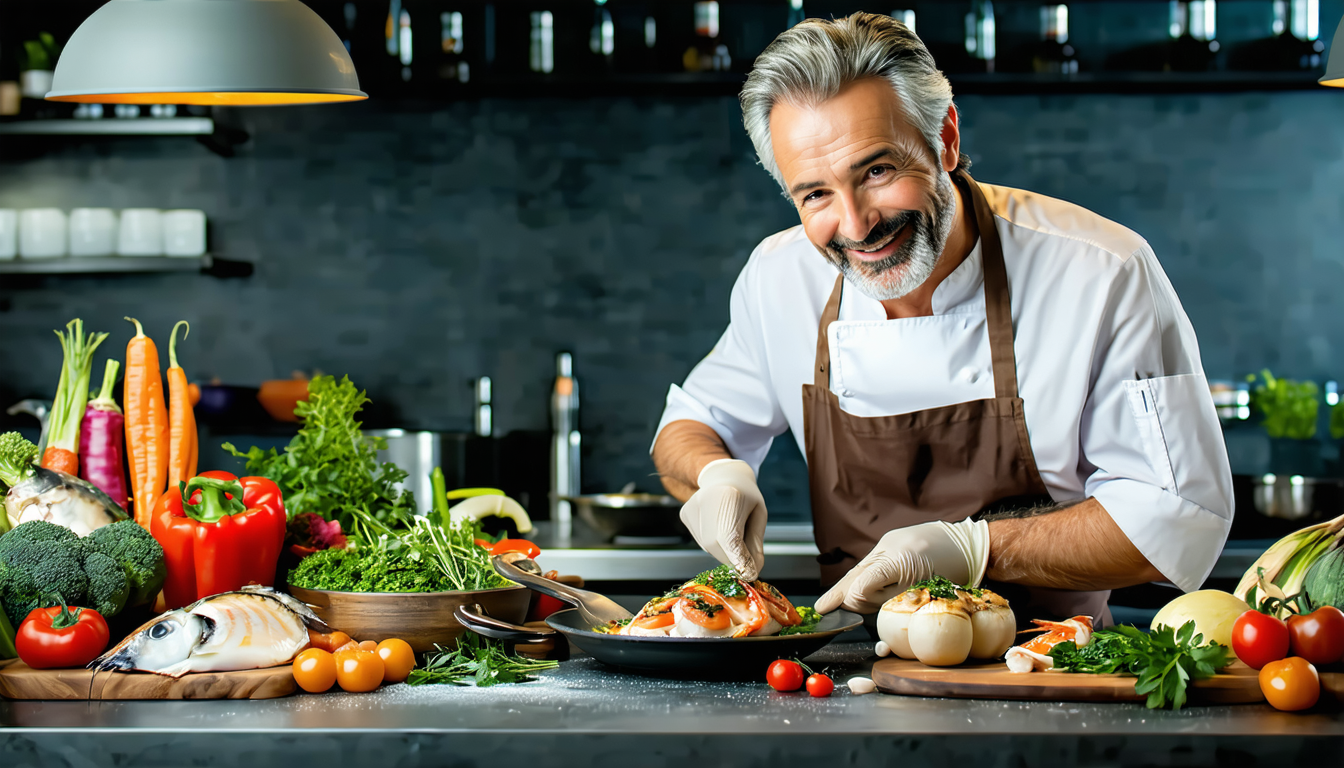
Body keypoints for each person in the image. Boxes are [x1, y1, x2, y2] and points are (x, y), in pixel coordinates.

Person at [650, 13, 1233, 621]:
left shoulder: (1101, 271)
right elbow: (690, 424)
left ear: (946, 138)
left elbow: (1179, 516)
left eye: (877, 171)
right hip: (845, 681)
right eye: (815, 194)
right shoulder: (781, 277)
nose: (855, 226)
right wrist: (715, 473)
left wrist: (971, 549)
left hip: (1050, 666)